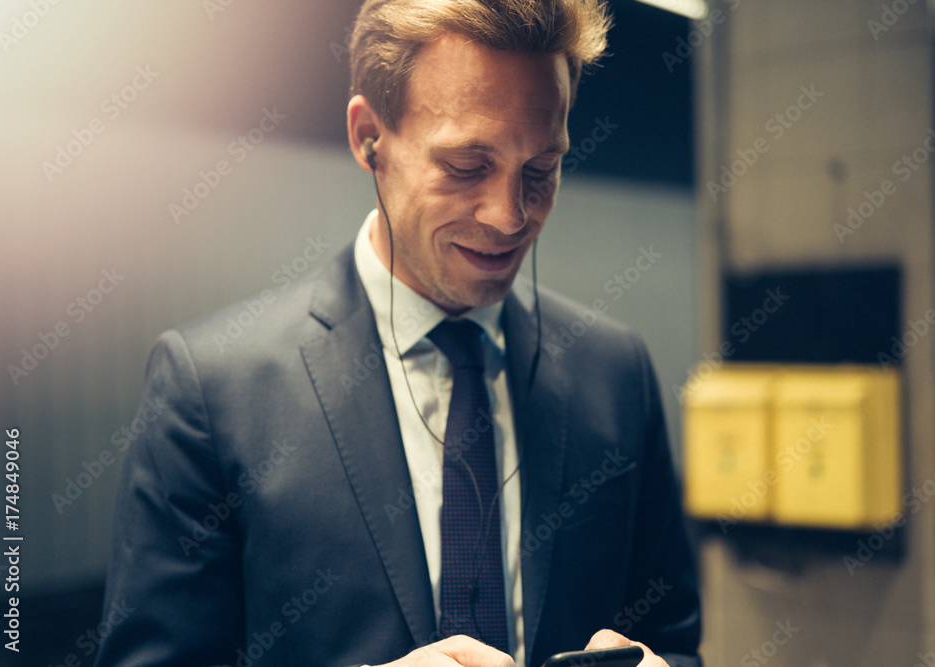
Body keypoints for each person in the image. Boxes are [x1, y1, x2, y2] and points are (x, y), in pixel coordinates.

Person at [95, 1, 701, 666]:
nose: (509, 216)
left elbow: (673, 635)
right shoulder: (211, 389)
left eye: (541, 170)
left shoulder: (614, 372)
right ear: (368, 139)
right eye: (467, 166)